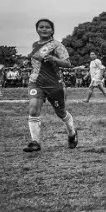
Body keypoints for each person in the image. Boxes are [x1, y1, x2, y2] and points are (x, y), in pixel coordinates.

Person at [23, 19, 78, 152]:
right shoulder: (35, 45)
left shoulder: (57, 45)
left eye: (47, 27)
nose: (44, 29)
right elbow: (36, 62)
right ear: (37, 29)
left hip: (54, 84)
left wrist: (54, 59)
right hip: (36, 82)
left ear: (52, 30)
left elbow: (68, 63)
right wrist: (26, 61)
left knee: (61, 113)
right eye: (41, 27)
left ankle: (72, 133)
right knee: (33, 110)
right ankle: (35, 142)